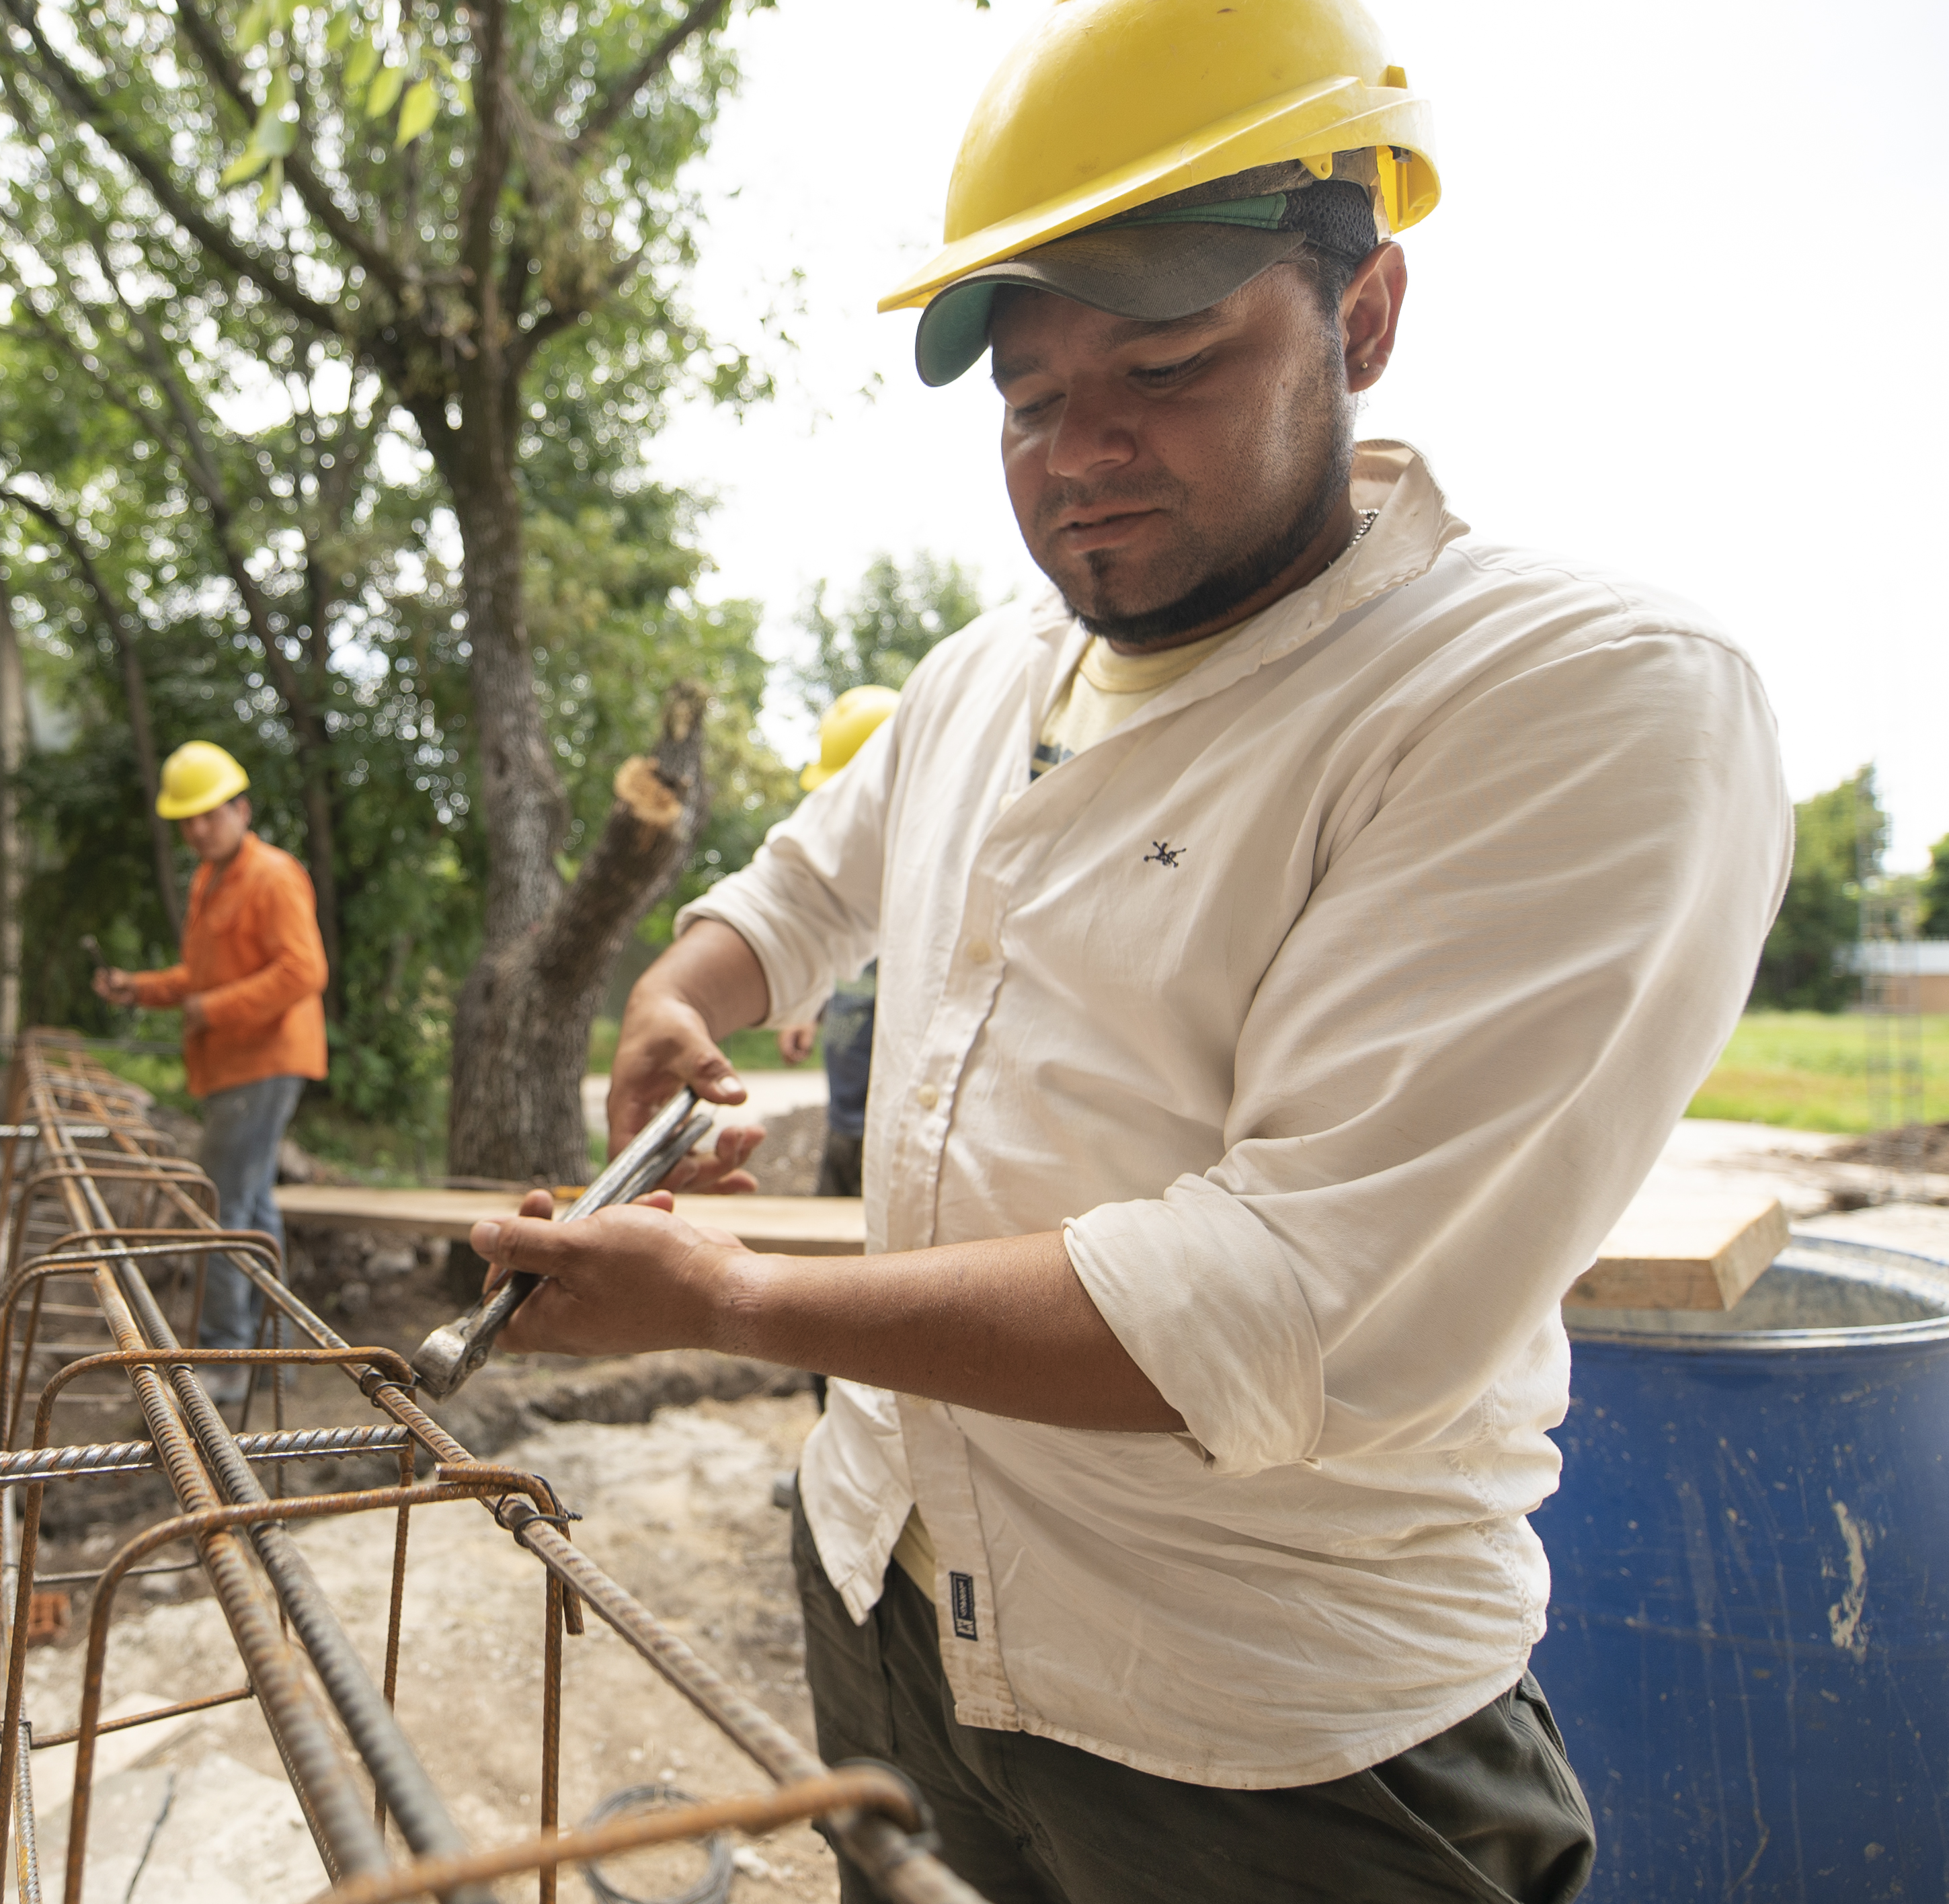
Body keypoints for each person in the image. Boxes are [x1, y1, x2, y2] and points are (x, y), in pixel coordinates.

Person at [464, 3, 1790, 1899]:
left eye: (1164, 367)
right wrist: (685, 998)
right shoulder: (984, 677)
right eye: (1024, 400)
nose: (1079, 453)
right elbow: (801, 893)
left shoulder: (1573, 703)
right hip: (891, 1606)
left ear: (1366, 315)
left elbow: (1273, 1306)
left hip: (1264, 1743)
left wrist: (731, 1302)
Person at [93, 741, 327, 1401]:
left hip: (265, 1063)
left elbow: (304, 972)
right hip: (230, 1066)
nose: (197, 829)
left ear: (240, 809)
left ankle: (226, 1361)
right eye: (186, 819)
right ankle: (272, 1352)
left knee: (221, 1208)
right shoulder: (209, 880)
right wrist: (137, 989)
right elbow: (200, 978)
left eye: (209, 814)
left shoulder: (272, 876)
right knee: (249, 1206)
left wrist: (211, 1007)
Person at [778, 687, 900, 1197]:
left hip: (898, 1130)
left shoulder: (926, 883)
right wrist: (806, 1009)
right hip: (846, 1116)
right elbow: (837, 951)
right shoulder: (848, 886)